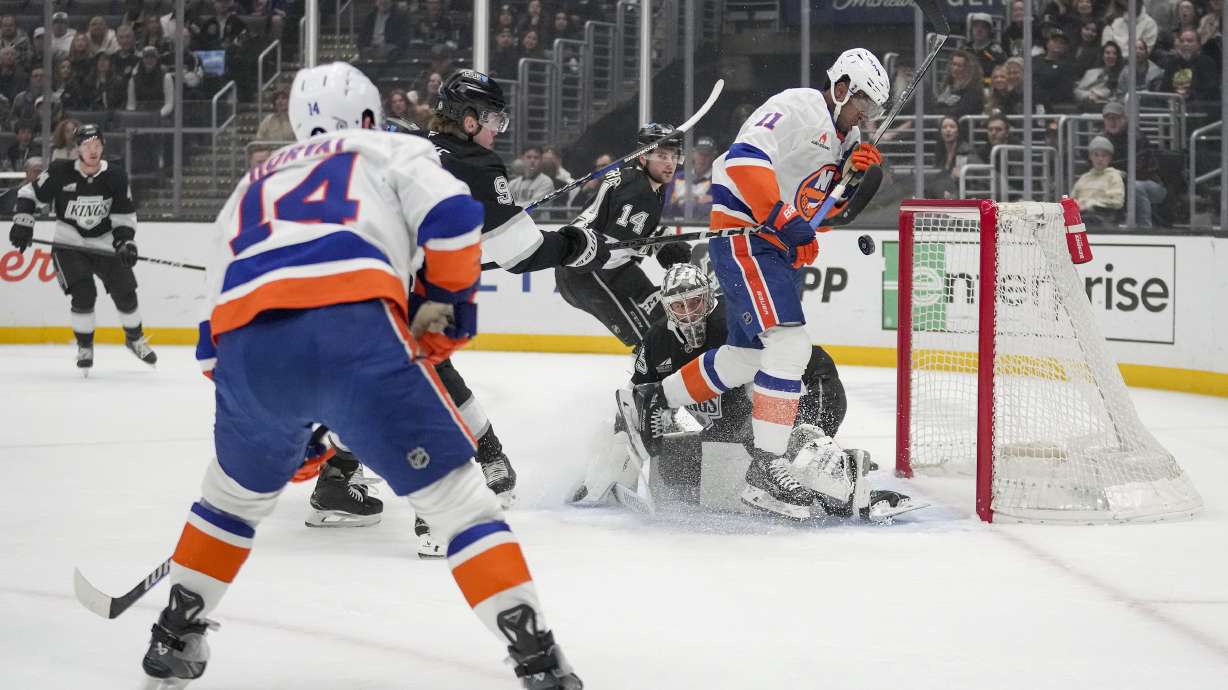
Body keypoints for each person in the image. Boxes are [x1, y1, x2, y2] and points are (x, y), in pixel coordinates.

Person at [154, 62, 583, 690]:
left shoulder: (253, 181)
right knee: (461, 507)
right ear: (364, 116)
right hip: (355, 330)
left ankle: (174, 634)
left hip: (248, 351)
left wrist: (283, 430)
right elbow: (454, 216)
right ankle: (538, 659)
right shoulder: (392, 149)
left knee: (229, 500)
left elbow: (207, 346)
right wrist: (447, 317)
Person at [620, 48, 889, 520]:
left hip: (771, 244)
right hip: (747, 236)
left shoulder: (845, 139)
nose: (865, 114)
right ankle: (766, 468)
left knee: (747, 355)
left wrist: (857, 178)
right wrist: (782, 218)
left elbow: (824, 208)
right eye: (863, 101)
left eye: (873, 108)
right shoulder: (800, 106)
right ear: (842, 86)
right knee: (789, 346)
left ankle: (654, 396)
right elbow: (744, 160)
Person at [394, 69, 608, 536]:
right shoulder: (476, 165)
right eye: (492, 119)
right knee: (416, 382)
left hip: (354, 287)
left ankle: (339, 478)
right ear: (468, 120)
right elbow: (520, 253)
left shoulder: (410, 146)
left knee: (378, 380)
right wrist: (576, 245)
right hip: (395, 295)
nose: (497, 129)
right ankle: (441, 509)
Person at [591, 264, 914, 519]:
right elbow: (635, 399)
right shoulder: (657, 340)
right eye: (679, 306)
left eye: (695, 302)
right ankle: (817, 467)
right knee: (683, 466)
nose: (688, 313)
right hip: (739, 417)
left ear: (709, 298)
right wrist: (616, 459)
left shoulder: (733, 323)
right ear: (666, 306)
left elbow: (774, 376)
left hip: (812, 384)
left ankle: (849, 488)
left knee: (793, 442)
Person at [7, 125, 156, 373]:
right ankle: (85, 346)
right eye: (87, 145)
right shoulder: (60, 171)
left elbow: (123, 215)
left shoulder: (116, 176)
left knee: (126, 291)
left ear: (103, 146)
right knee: (84, 293)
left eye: (97, 145)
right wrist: (23, 222)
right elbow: (28, 193)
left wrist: (125, 242)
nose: (92, 150)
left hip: (105, 242)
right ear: (77, 149)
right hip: (69, 244)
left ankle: (134, 338)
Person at [554, 123, 692, 346]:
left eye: (674, 156)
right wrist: (655, 244)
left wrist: (658, 238)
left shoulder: (644, 182)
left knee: (660, 316)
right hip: (586, 271)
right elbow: (610, 251)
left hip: (601, 264)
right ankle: (650, 368)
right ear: (643, 158)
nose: (670, 163)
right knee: (648, 335)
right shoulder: (637, 191)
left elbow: (620, 230)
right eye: (662, 156)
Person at [1071, 135, 1124, 225]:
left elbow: (1117, 202)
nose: (1100, 159)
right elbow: (1072, 200)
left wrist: (1092, 204)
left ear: (1110, 158)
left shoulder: (1114, 177)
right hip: (1080, 218)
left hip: (1103, 219)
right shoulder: (1084, 178)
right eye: (1096, 155)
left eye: (1104, 155)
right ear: (1090, 156)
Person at [934, 49, 985, 118]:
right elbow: (935, 108)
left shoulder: (974, 90)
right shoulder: (947, 87)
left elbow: (961, 111)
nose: (955, 68)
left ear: (968, 68)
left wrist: (941, 110)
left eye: (959, 66)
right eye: (954, 64)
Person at [968, 12, 1007, 82]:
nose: (979, 30)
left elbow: (1002, 75)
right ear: (971, 29)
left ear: (989, 30)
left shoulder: (997, 52)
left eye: (983, 27)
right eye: (976, 26)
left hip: (989, 85)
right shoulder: (965, 49)